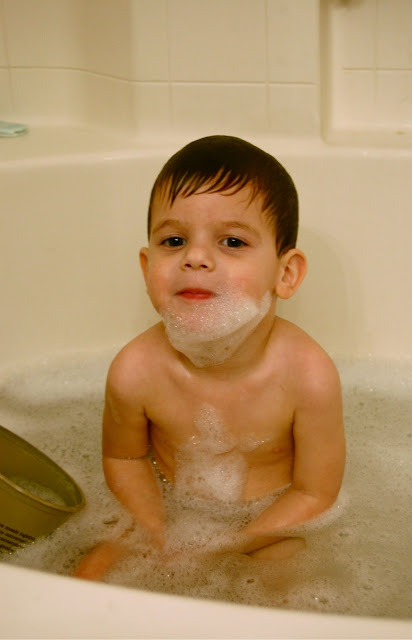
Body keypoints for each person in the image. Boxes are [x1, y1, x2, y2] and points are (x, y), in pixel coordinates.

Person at [74, 135, 345, 580]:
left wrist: (227, 545)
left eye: (232, 242)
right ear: (146, 267)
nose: (195, 257)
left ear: (286, 273)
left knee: (285, 575)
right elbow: (126, 460)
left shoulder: (307, 376)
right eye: (174, 240)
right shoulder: (135, 370)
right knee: (95, 568)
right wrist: (154, 530)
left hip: (270, 526)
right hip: (164, 510)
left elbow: (314, 494)